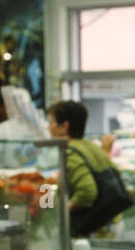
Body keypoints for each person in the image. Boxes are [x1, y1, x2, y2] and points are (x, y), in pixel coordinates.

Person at [48, 99, 123, 236]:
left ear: (64, 126)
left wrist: (59, 211)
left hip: (95, 229)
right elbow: (116, 172)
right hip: (110, 221)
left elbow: (87, 191)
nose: (49, 128)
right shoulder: (91, 146)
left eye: (52, 122)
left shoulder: (71, 152)